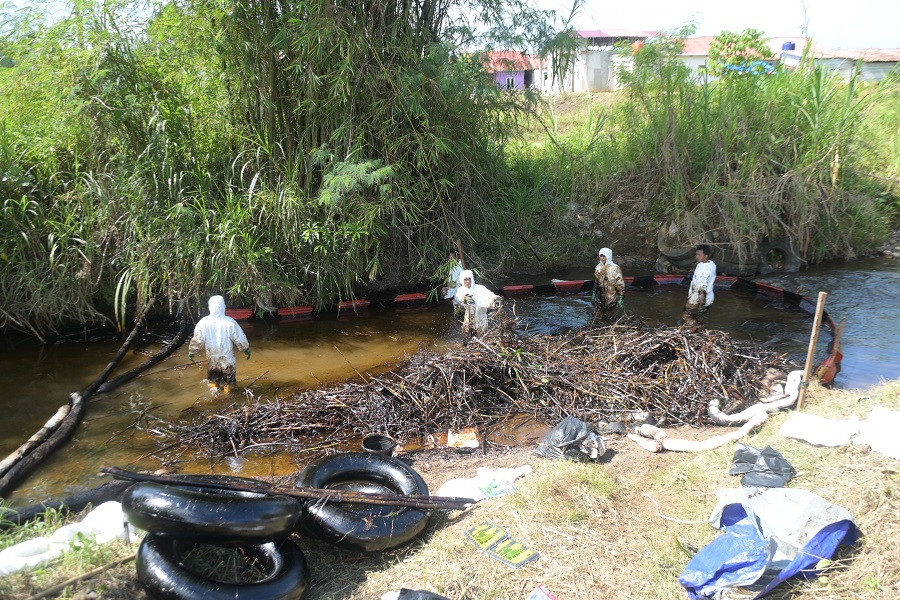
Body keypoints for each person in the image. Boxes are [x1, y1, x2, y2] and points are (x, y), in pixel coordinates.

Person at [188, 295, 251, 390]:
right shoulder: (229, 322)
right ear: (223, 307)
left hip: (212, 358)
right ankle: (227, 398)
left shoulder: (204, 322)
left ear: (209, 306)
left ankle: (215, 397)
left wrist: (192, 351)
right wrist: (246, 349)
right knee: (229, 381)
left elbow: (198, 339)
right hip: (227, 358)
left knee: (213, 380)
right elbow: (239, 337)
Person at [454, 270, 501, 335]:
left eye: (469, 279)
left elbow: (488, 294)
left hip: (481, 317)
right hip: (469, 317)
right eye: (465, 279)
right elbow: (458, 297)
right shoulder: (461, 290)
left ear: (472, 279)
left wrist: (495, 298)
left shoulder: (479, 288)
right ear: (462, 280)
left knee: (482, 336)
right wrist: (464, 299)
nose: (468, 281)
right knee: (467, 336)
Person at [682, 244, 717, 326]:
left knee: (687, 317)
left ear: (706, 256)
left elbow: (702, 288)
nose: (697, 257)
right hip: (709, 298)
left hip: (697, 299)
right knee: (699, 318)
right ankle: (700, 331)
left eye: (699, 255)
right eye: (696, 254)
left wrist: (701, 306)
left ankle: (695, 331)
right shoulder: (711, 264)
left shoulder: (705, 270)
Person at [593, 247, 626, 320]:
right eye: (601, 256)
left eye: (604, 256)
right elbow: (596, 281)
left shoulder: (615, 268)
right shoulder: (598, 267)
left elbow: (620, 283)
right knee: (598, 315)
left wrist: (621, 297)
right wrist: (594, 292)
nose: (602, 258)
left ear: (608, 256)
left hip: (612, 295)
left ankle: (611, 328)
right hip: (600, 295)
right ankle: (599, 328)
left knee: (610, 316)